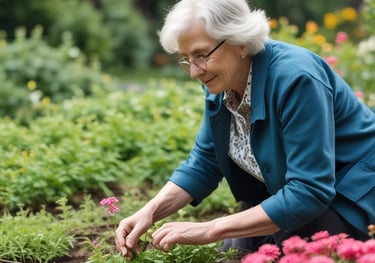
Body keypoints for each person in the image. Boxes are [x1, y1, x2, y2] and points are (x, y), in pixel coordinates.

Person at [115, 0, 375, 259]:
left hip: (352, 197)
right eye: (187, 59)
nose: (194, 71)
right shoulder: (223, 81)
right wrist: (149, 211)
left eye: (201, 54)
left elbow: (310, 190)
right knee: (234, 250)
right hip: (297, 198)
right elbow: (204, 162)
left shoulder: (295, 79)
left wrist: (210, 228)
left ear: (239, 42)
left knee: (287, 249)